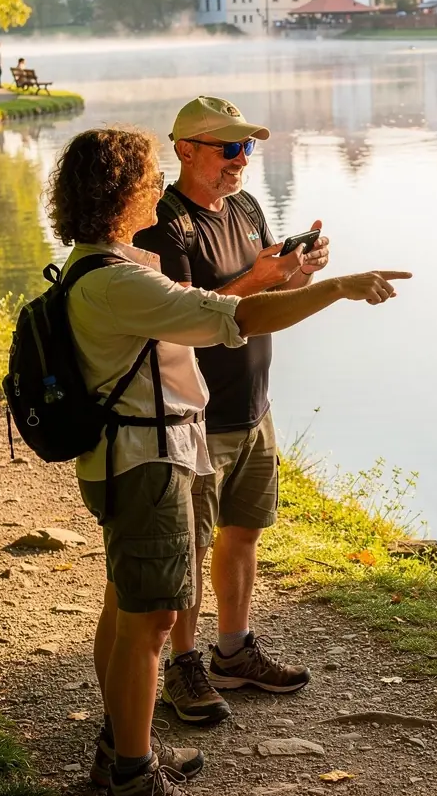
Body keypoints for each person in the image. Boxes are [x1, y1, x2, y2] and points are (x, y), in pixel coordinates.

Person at [48, 126, 410, 796]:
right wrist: (334, 288)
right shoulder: (119, 280)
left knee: (128, 610)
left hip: (131, 459)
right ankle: (131, 783)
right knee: (150, 625)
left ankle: (120, 749)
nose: (155, 187)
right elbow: (235, 317)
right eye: (145, 178)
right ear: (122, 194)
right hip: (145, 465)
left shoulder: (101, 264)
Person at [133, 97, 331, 724]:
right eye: (229, 148)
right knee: (189, 546)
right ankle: (183, 665)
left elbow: (267, 286)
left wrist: (299, 272)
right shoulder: (163, 223)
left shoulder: (245, 206)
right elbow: (184, 316)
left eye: (247, 148)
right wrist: (258, 278)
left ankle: (234, 650)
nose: (241, 161)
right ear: (186, 149)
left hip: (254, 403)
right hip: (195, 414)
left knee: (244, 530)